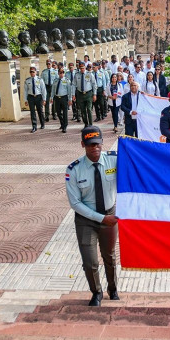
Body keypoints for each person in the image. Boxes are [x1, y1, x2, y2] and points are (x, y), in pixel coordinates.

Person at [65, 126, 119, 306]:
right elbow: (75, 203)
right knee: (90, 261)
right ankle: (96, 292)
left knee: (109, 257)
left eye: (97, 144)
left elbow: (139, 163)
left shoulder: (114, 160)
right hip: (86, 221)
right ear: (83, 144)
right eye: (89, 145)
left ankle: (113, 289)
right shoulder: (74, 170)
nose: (94, 148)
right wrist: (101, 218)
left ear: (102, 143)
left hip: (110, 216)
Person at [73, 62, 97, 127]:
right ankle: (86, 124)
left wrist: (94, 94)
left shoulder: (89, 74)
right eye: (80, 68)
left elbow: (94, 84)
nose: (82, 69)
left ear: (85, 67)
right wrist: (73, 95)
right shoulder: (77, 75)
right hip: (80, 94)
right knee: (83, 110)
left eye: (83, 68)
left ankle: (91, 124)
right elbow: (73, 85)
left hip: (88, 94)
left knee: (89, 109)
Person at [23, 66, 46, 133]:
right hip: (31, 97)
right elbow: (25, 91)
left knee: (40, 111)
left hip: (38, 97)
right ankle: (34, 126)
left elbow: (43, 90)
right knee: (32, 112)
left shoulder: (40, 80)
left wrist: (44, 99)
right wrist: (25, 100)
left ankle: (42, 123)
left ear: (36, 72)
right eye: (31, 72)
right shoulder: (27, 80)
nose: (32, 73)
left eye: (33, 72)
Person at [51, 67, 73, 133]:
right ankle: (62, 123)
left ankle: (65, 126)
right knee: (58, 112)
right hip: (57, 98)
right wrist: (51, 97)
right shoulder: (55, 80)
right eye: (60, 73)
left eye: (63, 73)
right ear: (58, 73)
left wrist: (70, 99)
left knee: (65, 112)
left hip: (64, 98)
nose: (61, 74)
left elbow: (69, 91)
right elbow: (53, 90)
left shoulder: (67, 80)